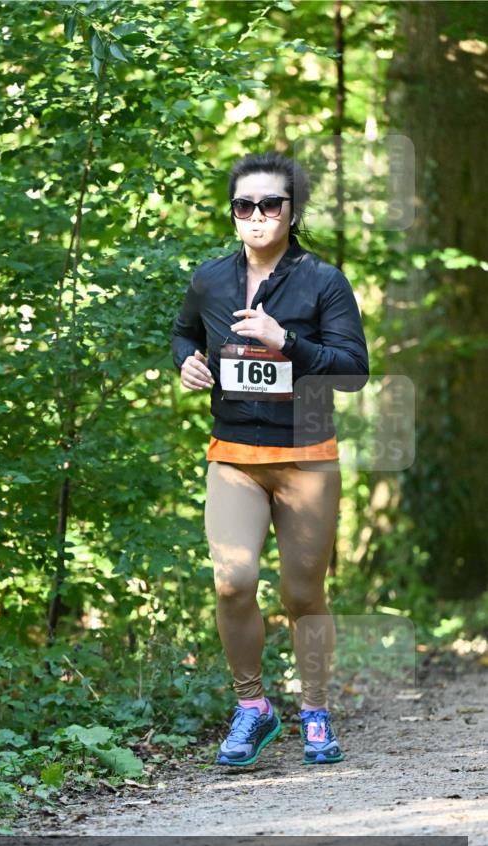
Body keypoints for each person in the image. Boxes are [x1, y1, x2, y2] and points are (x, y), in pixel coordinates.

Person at [171, 151, 369, 767]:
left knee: (302, 593)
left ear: (291, 212)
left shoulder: (322, 281)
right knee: (233, 584)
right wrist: (186, 361)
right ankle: (252, 708)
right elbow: (183, 332)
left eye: (270, 205)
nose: (257, 216)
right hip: (234, 455)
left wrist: (289, 343)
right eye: (244, 205)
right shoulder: (210, 278)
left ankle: (314, 710)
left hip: (306, 457)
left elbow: (354, 371)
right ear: (232, 213)